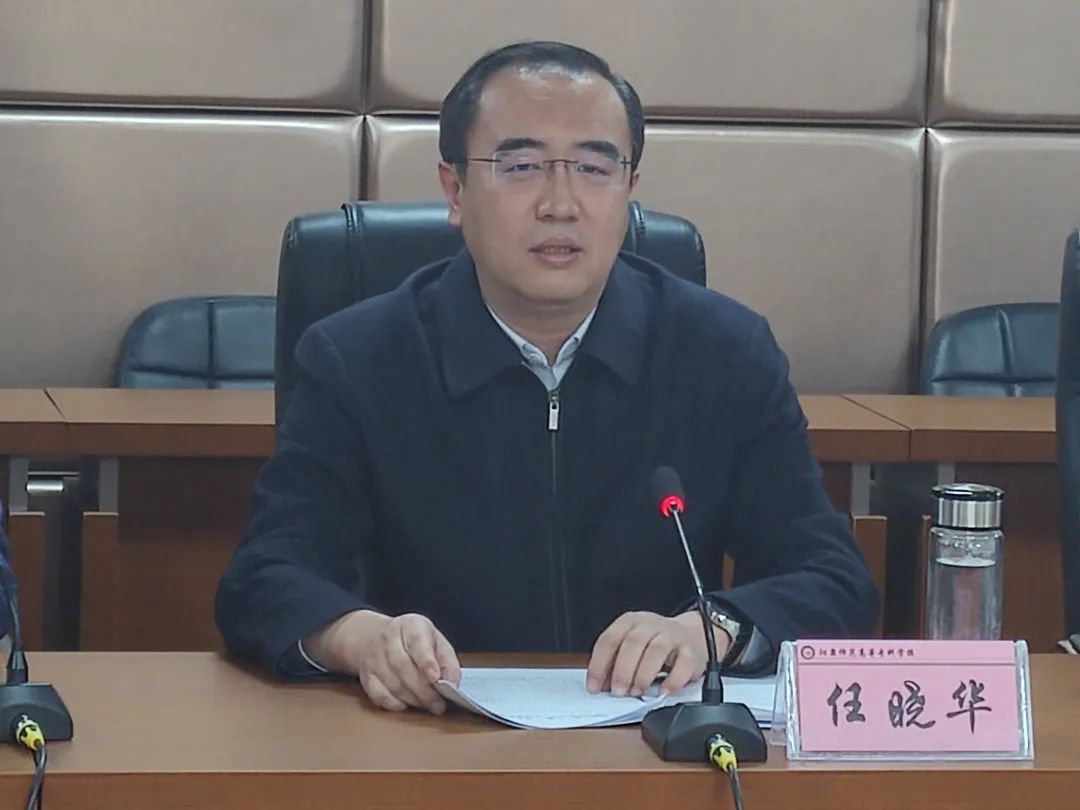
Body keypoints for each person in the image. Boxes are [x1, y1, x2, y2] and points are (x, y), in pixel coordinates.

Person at [215, 40, 878, 715]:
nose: (561, 204)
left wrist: (711, 630)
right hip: (429, 736)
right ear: (455, 190)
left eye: (594, 168)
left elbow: (834, 579)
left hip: (654, 740)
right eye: (523, 166)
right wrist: (361, 639)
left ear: (629, 189)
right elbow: (264, 578)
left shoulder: (723, 352)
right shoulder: (358, 359)